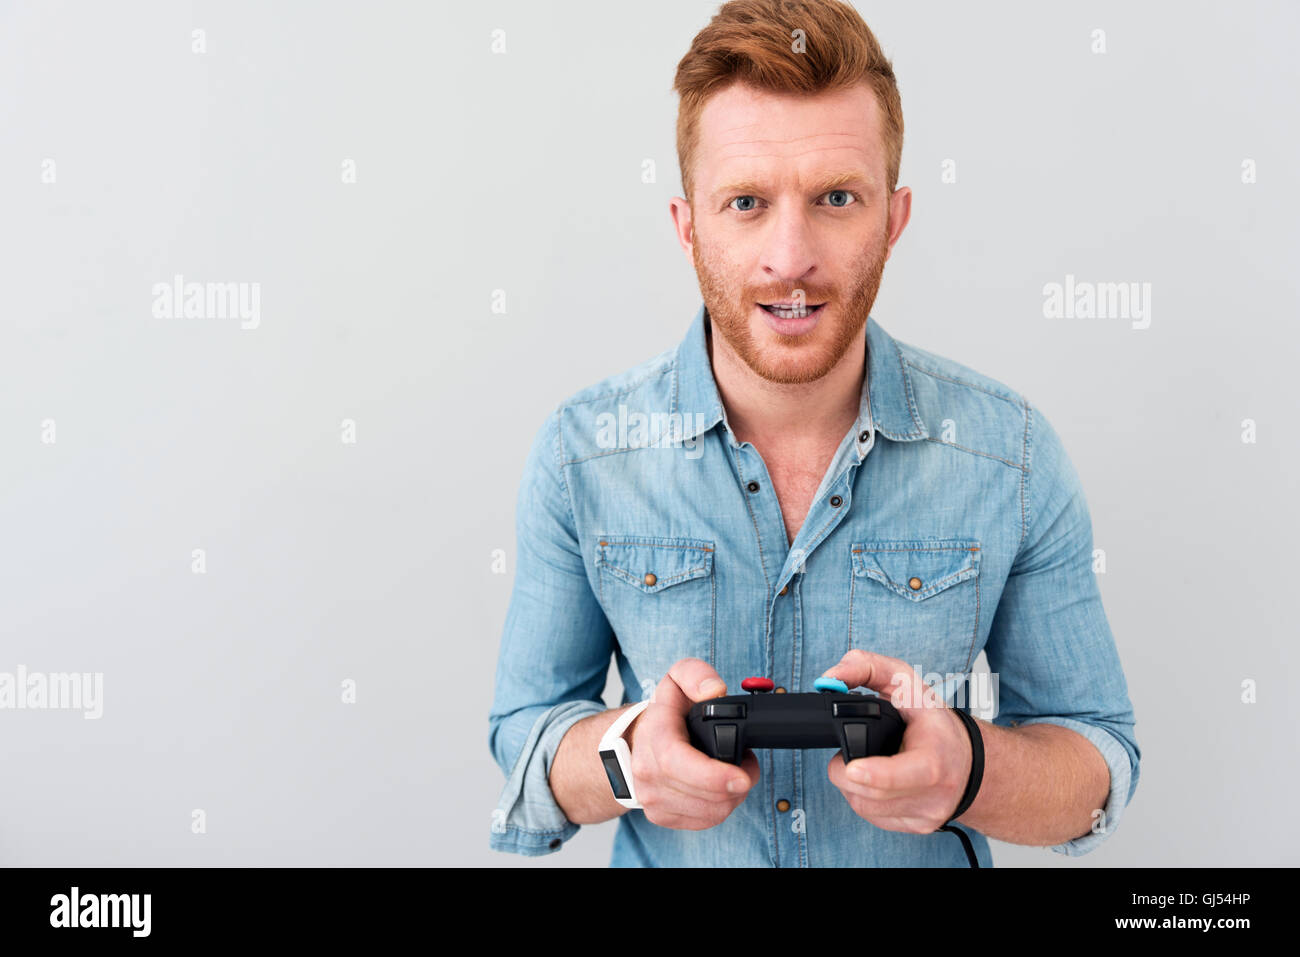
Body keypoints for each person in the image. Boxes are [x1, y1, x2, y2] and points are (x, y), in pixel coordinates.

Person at [487, 0, 1139, 867]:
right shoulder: (584, 454)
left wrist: (971, 769)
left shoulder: (1011, 456)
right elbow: (526, 742)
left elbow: (1096, 759)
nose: (790, 255)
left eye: (836, 197)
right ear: (689, 229)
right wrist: (629, 758)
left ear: (894, 219)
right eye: (746, 202)